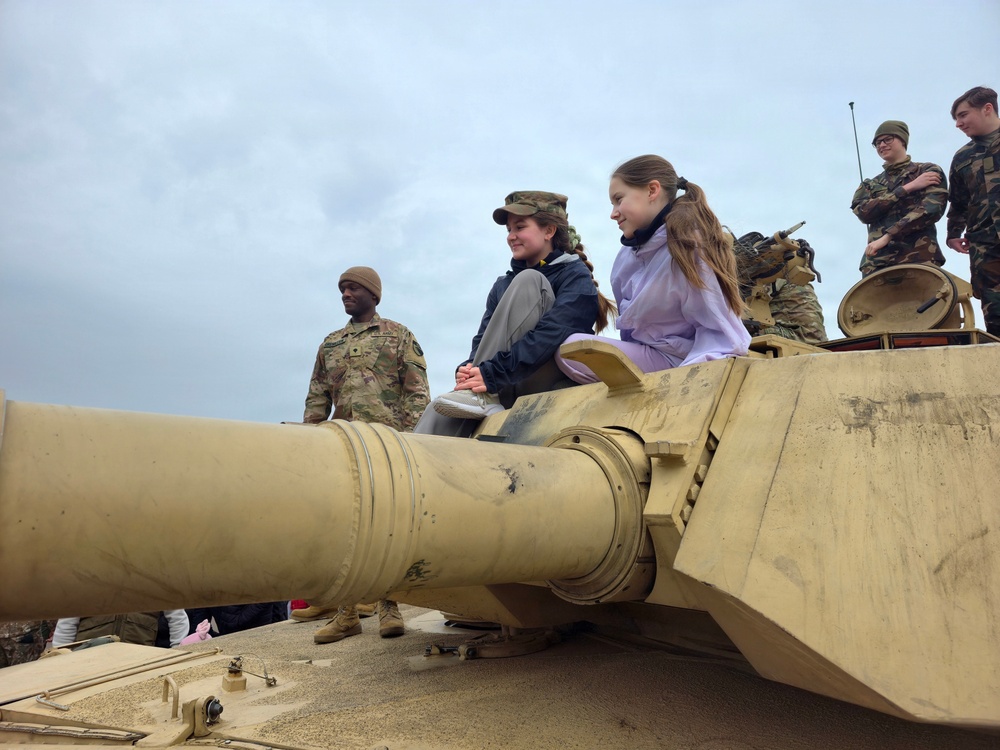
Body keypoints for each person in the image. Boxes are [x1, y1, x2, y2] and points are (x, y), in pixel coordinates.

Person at [302, 266, 429, 644]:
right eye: (342, 289)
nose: (346, 294)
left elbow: (417, 390)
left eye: (354, 288)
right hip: (344, 448)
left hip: (389, 447)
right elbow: (317, 396)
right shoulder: (330, 344)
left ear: (374, 295)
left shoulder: (398, 335)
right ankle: (347, 614)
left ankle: (390, 606)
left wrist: (410, 440)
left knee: (390, 527)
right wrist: (308, 443)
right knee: (347, 529)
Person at [423, 191, 615, 426]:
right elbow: (484, 340)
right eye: (509, 231)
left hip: (548, 381)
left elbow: (551, 334)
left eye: (520, 227)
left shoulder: (575, 278)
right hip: (503, 378)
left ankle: (482, 394)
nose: (511, 237)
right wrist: (469, 368)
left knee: (528, 280)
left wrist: (490, 374)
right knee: (439, 409)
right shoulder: (502, 285)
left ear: (548, 231)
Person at [556, 155, 750, 384]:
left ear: (652, 191)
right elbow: (629, 334)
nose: (613, 213)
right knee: (571, 351)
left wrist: (686, 381)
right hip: (650, 358)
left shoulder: (688, 248)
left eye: (619, 199)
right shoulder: (625, 258)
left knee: (572, 349)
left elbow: (721, 333)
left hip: (686, 361)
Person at [850, 120, 948, 277]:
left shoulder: (926, 171)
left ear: (902, 139)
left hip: (919, 256)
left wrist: (888, 236)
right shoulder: (869, 184)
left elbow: (931, 209)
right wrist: (907, 188)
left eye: (887, 139)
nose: (881, 145)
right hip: (877, 263)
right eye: (877, 143)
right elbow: (864, 212)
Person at [946, 86, 1000, 335]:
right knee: (995, 315)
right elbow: (958, 201)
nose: (958, 123)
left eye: (963, 115)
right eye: (956, 118)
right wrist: (953, 232)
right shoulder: (962, 157)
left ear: (987, 108)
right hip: (985, 248)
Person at [51, 611, 189, 648]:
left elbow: (177, 618)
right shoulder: (87, 577)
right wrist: (61, 656)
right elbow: (67, 622)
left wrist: (178, 649)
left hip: (138, 658)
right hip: (88, 658)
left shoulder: (155, 577)